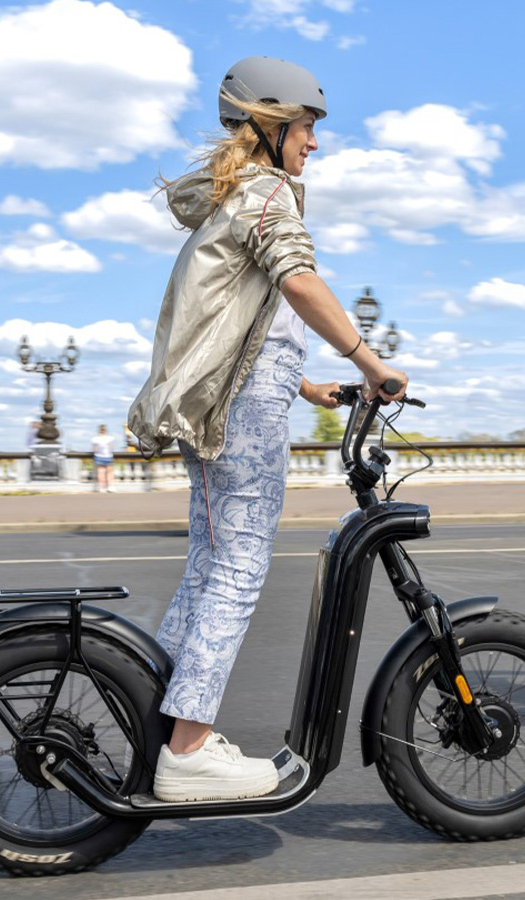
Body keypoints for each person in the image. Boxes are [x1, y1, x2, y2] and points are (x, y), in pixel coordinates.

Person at [128, 56, 408, 802]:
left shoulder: (240, 195)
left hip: (243, 397)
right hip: (238, 412)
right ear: (271, 124)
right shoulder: (264, 194)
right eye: (307, 127)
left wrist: (310, 381)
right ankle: (187, 750)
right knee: (240, 566)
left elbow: (254, 322)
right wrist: (369, 359)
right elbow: (297, 280)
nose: (313, 143)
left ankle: (151, 721)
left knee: (210, 562)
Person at [89, 424, 118, 492]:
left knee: (107, 472)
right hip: (101, 456)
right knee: (102, 472)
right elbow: (94, 449)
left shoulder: (101, 438)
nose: (103, 431)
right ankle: (104, 487)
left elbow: (112, 447)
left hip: (106, 456)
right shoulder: (98, 439)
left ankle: (108, 486)